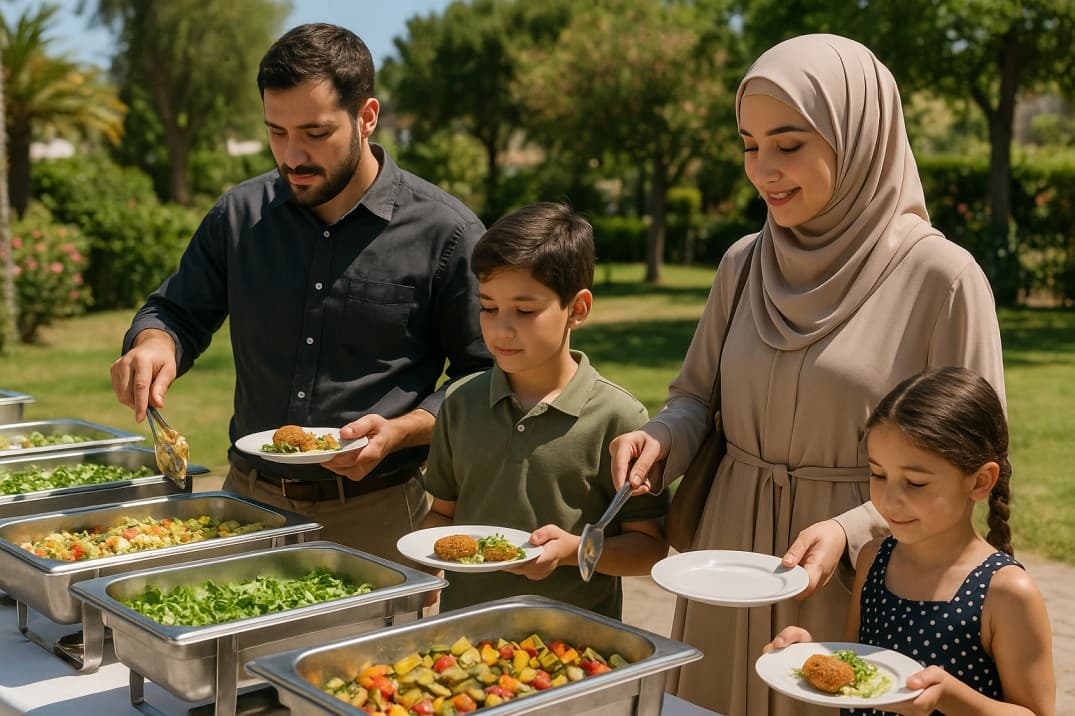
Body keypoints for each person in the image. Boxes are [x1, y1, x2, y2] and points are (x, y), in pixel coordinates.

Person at [608, 34, 1006, 715]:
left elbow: (968, 457)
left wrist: (850, 529)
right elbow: (694, 398)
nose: (762, 168)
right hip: (727, 564)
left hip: (860, 569)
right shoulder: (741, 264)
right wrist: (661, 437)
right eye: (747, 144)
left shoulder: (942, 279)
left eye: (788, 144)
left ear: (860, 138)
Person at [109, 23, 491, 560]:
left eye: (315, 134)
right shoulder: (237, 215)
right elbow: (175, 312)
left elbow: (485, 375)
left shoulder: (446, 233)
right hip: (248, 504)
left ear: (367, 116)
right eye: (276, 132)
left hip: (379, 515)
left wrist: (404, 430)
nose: (292, 156)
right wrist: (153, 342)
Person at [420, 202, 668, 618]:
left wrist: (574, 552)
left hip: (576, 645)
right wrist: (424, 566)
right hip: (461, 635)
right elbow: (442, 514)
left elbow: (649, 548)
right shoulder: (459, 402)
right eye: (488, 307)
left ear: (578, 309)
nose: (501, 329)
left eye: (525, 310)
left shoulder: (620, 418)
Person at [764, 367, 1054, 716]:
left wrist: (948, 695)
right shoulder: (874, 558)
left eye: (915, 483)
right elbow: (861, 671)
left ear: (979, 482)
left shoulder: (1006, 591)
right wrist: (808, 657)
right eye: (878, 474)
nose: (888, 499)